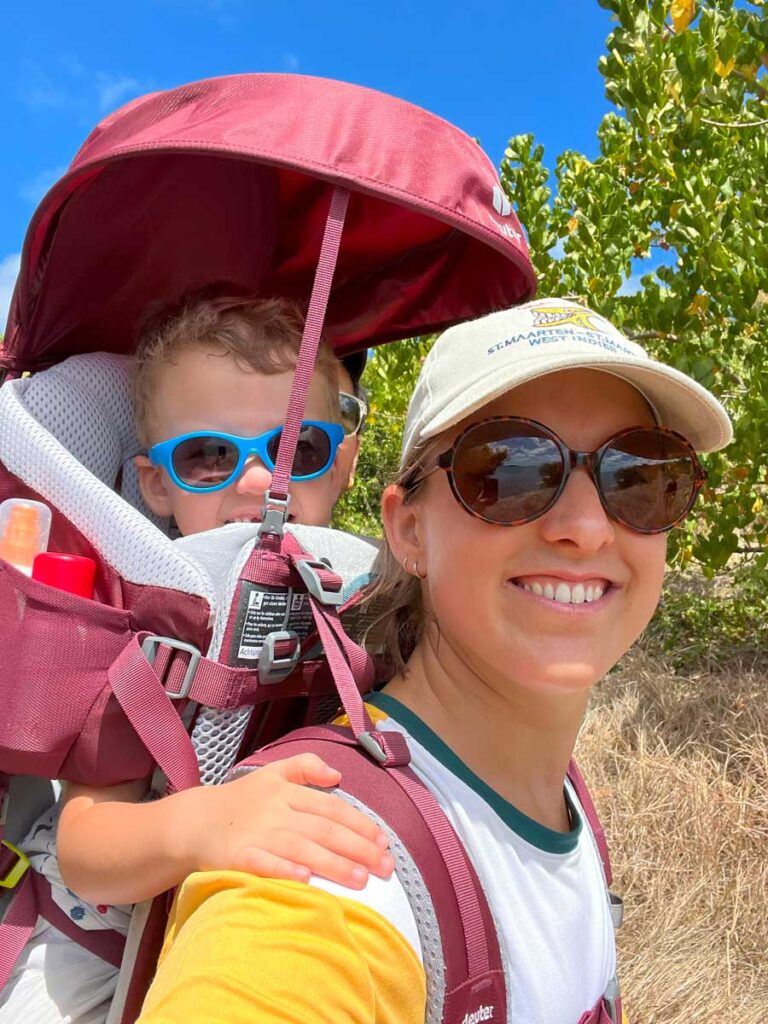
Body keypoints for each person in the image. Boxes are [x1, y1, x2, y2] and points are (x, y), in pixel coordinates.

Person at [135, 298, 732, 1024]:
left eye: (639, 474)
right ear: (408, 530)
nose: (585, 527)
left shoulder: (558, 795)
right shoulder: (338, 876)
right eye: (509, 470)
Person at [0, 294, 392, 1024]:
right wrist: (210, 824)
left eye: (293, 449)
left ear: (343, 464)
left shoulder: (368, 593)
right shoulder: (151, 618)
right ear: (156, 485)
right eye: (209, 457)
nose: (255, 483)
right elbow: (86, 846)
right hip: (90, 947)